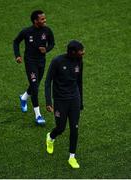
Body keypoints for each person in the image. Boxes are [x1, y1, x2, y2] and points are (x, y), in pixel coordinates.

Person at [45, 40, 85, 168]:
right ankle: (51, 137)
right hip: (60, 100)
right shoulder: (57, 61)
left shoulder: (79, 61)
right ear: (73, 52)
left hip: (74, 99)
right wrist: (48, 101)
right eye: (81, 51)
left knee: (75, 128)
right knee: (60, 128)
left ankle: (72, 157)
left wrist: (81, 101)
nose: (83, 53)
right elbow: (47, 81)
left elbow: (80, 82)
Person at [13, 10, 55, 125]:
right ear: (35, 21)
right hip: (30, 62)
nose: (45, 20)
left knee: (35, 84)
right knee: (35, 87)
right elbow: (16, 42)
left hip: (41, 62)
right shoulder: (27, 32)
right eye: (42, 19)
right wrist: (17, 56)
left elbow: (52, 43)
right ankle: (38, 115)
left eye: (44, 18)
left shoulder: (47, 30)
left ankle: (24, 97)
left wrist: (46, 49)